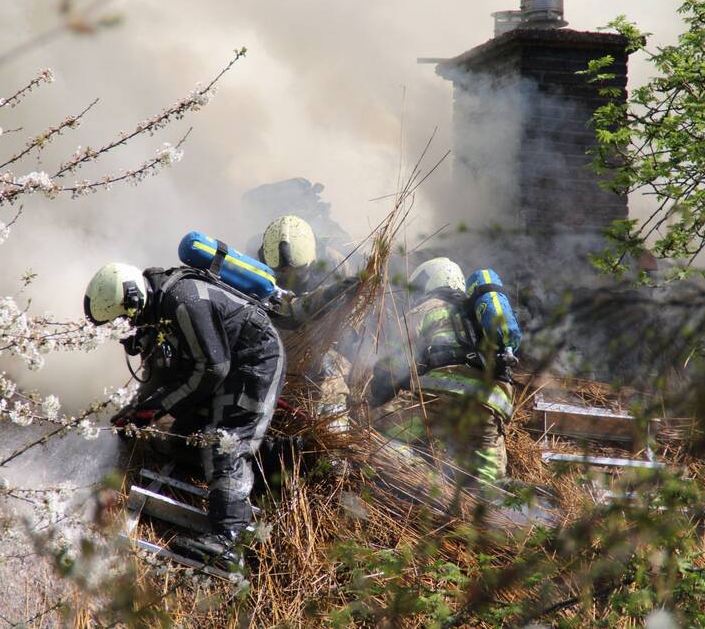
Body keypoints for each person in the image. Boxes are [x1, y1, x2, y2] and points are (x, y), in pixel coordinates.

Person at [84, 262, 285, 567]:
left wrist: (153, 409)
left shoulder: (182, 300)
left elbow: (212, 368)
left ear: (133, 303)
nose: (124, 332)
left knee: (226, 441)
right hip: (227, 365)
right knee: (188, 437)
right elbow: (162, 380)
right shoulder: (158, 313)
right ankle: (283, 458)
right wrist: (136, 412)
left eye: (121, 322)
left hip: (254, 359)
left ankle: (229, 539)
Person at [369, 257, 514, 486]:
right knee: (488, 485)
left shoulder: (427, 308)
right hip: (488, 406)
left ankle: (424, 481)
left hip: (438, 398)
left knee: (376, 435)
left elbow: (393, 360)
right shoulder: (479, 315)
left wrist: (376, 394)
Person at [259, 214, 357, 433]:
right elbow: (289, 309)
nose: (290, 277)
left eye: (298, 271)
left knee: (332, 372)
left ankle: (335, 435)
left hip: (324, 338)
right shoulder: (255, 270)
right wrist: (329, 294)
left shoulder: (334, 262)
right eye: (283, 273)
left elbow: (354, 308)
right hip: (277, 335)